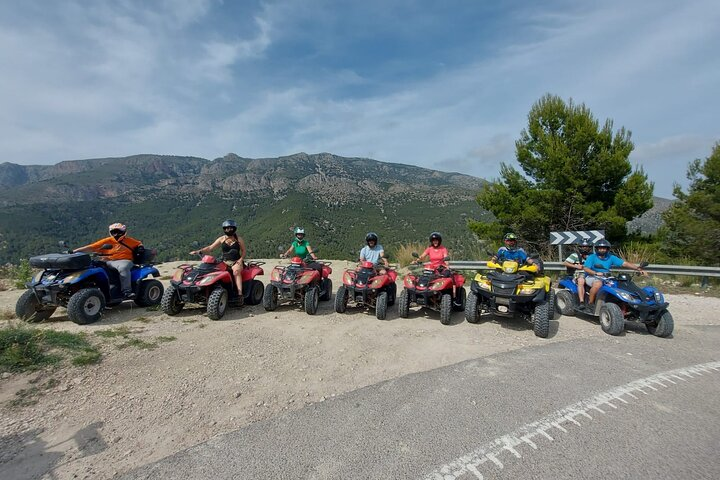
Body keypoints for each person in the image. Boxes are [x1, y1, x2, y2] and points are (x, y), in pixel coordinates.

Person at [74, 223, 143, 299]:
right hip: (109, 261)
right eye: (114, 232)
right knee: (92, 267)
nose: (116, 234)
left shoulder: (129, 241)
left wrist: (140, 247)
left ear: (123, 232)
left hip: (124, 260)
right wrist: (75, 251)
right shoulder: (108, 240)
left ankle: (126, 291)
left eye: (118, 232)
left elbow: (139, 243)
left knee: (123, 268)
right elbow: (92, 247)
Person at [190, 220, 246, 301]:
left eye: (230, 228)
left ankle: (240, 295)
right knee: (213, 271)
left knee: (236, 271)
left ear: (234, 228)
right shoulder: (221, 239)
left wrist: (240, 260)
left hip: (236, 261)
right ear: (224, 229)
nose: (229, 230)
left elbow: (244, 251)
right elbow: (210, 248)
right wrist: (199, 251)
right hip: (224, 261)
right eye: (227, 228)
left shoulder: (239, 239)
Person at [583, 239, 647, 308]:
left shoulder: (611, 257)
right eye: (600, 248)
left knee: (620, 285)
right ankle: (590, 303)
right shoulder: (592, 257)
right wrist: (595, 273)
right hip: (592, 276)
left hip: (606, 277)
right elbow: (586, 268)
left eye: (604, 248)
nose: (602, 250)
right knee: (598, 284)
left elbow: (624, 264)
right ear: (597, 249)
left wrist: (638, 268)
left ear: (607, 249)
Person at [563, 239, 593, 305]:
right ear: (580, 247)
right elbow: (565, 263)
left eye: (586, 247)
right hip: (579, 273)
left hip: (592, 273)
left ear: (589, 248)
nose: (584, 248)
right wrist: (576, 266)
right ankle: (581, 302)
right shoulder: (575, 255)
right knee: (581, 281)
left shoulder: (592, 256)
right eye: (583, 247)